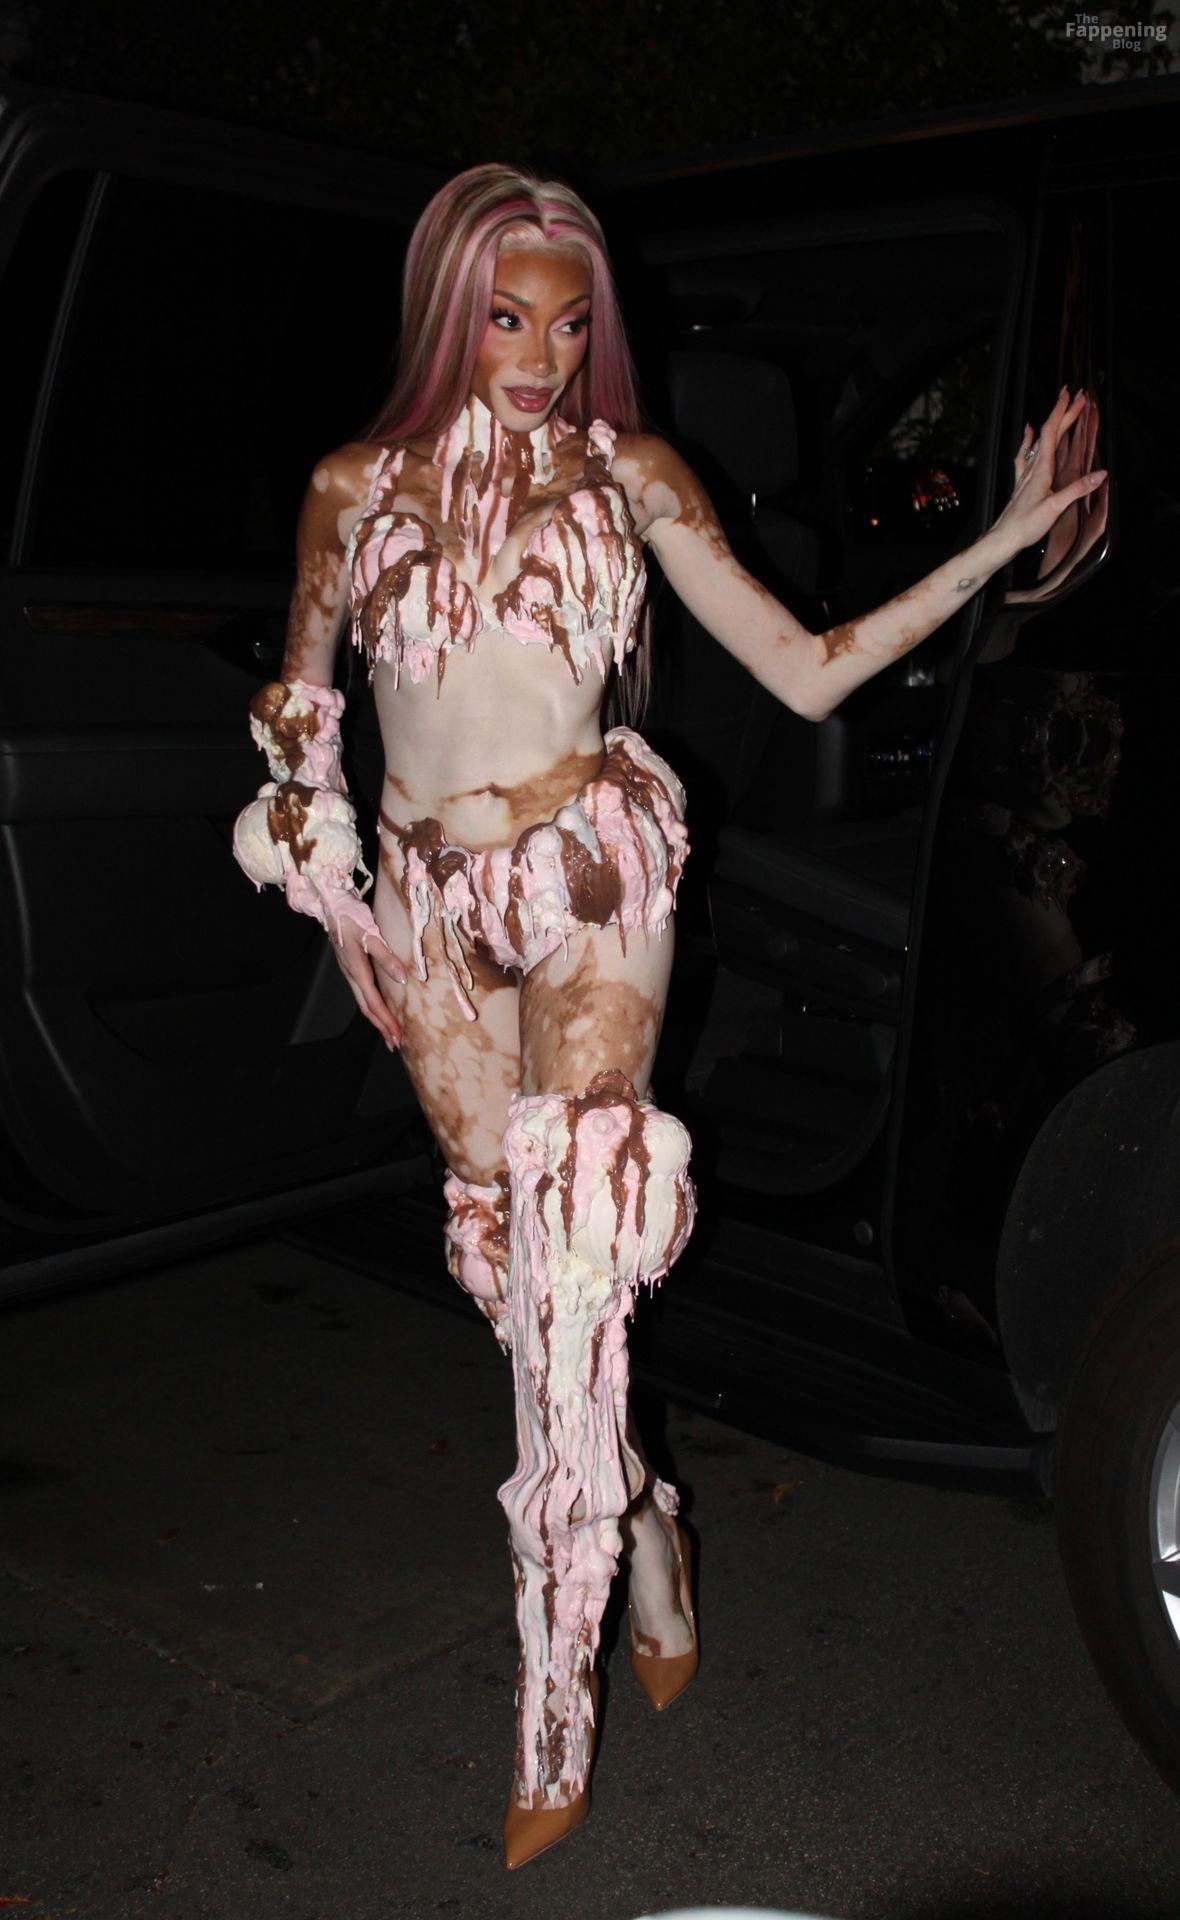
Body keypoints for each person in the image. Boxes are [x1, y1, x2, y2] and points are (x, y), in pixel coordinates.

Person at [232, 162, 1106, 1870]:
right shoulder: (352, 490)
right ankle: (641, 1519)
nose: (540, 358)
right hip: (432, 911)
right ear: (448, 316)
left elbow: (809, 667)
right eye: (506, 320)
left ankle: (552, 1715)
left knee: (578, 1248)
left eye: (569, 327)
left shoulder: (629, 477)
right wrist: (334, 892)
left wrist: (1000, 542)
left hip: (588, 879)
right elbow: (302, 722)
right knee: (516, 1290)